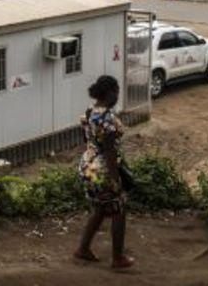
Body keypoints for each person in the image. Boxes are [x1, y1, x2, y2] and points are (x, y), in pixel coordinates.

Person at [75, 75, 134, 269]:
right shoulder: (107, 118)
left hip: (87, 166)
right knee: (119, 210)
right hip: (102, 169)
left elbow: (89, 140)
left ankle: (83, 249)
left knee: (100, 208)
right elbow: (109, 151)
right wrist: (115, 178)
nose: (118, 95)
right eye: (116, 91)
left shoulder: (89, 112)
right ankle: (117, 258)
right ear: (109, 93)